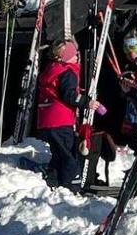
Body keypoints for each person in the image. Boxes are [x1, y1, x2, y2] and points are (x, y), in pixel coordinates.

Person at [35, 40, 100, 191]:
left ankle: (53, 177)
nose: (77, 56)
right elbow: (69, 95)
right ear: (65, 57)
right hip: (60, 120)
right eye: (73, 54)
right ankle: (71, 184)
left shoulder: (51, 69)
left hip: (46, 120)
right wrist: (86, 102)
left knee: (58, 152)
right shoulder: (68, 72)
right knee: (69, 154)